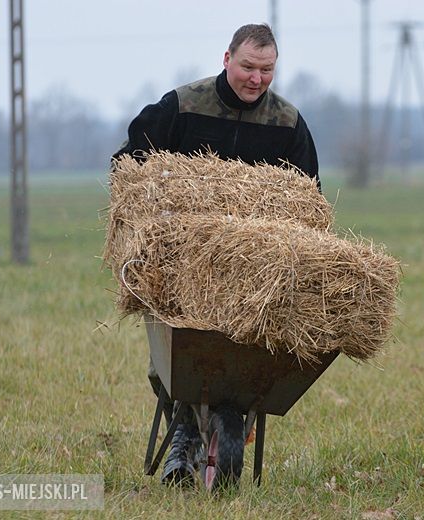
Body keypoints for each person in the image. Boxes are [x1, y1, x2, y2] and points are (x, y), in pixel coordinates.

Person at [114, 23, 320, 487]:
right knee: (169, 363)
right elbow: (130, 166)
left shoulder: (286, 124)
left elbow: (311, 200)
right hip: (180, 267)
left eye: (267, 70)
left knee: (247, 363)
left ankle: (208, 435)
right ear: (226, 59)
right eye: (248, 66)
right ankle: (184, 432)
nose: (257, 79)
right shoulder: (183, 106)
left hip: (254, 280)